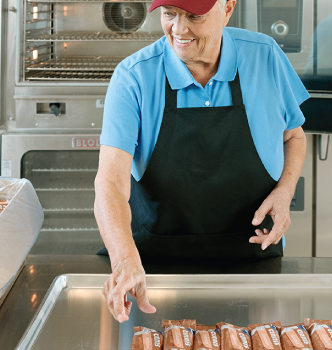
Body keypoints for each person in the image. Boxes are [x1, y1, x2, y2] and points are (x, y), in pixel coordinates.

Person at [94, 0, 309, 323]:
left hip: (253, 262)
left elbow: (294, 137)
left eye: (194, 16)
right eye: (169, 14)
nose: (179, 29)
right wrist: (124, 260)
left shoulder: (264, 57)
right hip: (152, 273)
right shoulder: (134, 77)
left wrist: (285, 191)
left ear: (228, 8)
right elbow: (109, 182)